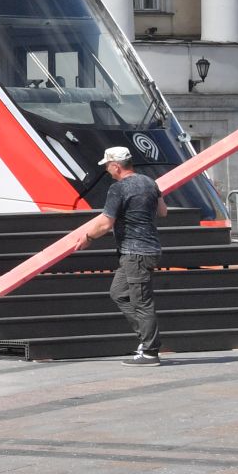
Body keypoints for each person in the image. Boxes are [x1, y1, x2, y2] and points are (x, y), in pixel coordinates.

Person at [74, 146, 168, 365]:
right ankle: (146, 340)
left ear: (116, 166)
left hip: (136, 252)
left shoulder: (118, 188)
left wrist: (87, 237)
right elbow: (163, 211)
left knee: (142, 303)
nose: (106, 170)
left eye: (107, 166)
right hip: (144, 250)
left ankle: (150, 351)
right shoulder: (149, 182)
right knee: (118, 293)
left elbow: (106, 223)